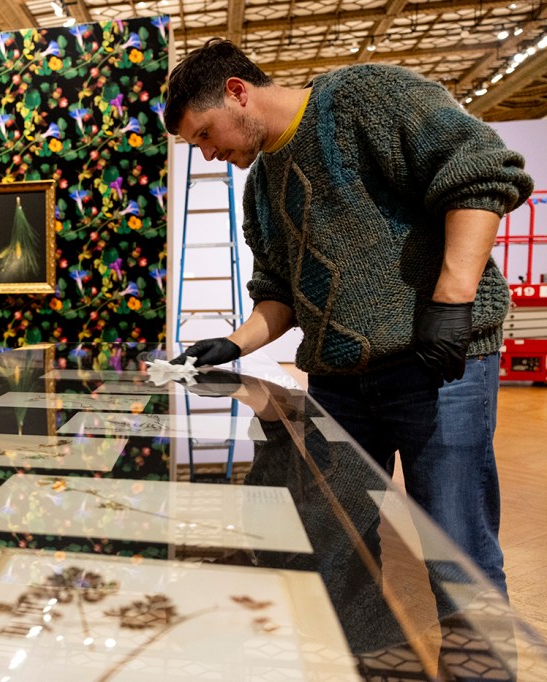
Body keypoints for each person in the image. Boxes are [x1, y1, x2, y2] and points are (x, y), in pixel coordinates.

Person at [164, 38, 533, 596]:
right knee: (339, 546)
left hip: (436, 367)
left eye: (205, 135)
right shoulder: (261, 187)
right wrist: (234, 344)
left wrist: (452, 301)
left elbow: (479, 173)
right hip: (339, 384)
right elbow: (279, 294)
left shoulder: (365, 97)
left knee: (457, 556)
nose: (208, 154)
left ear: (237, 93)